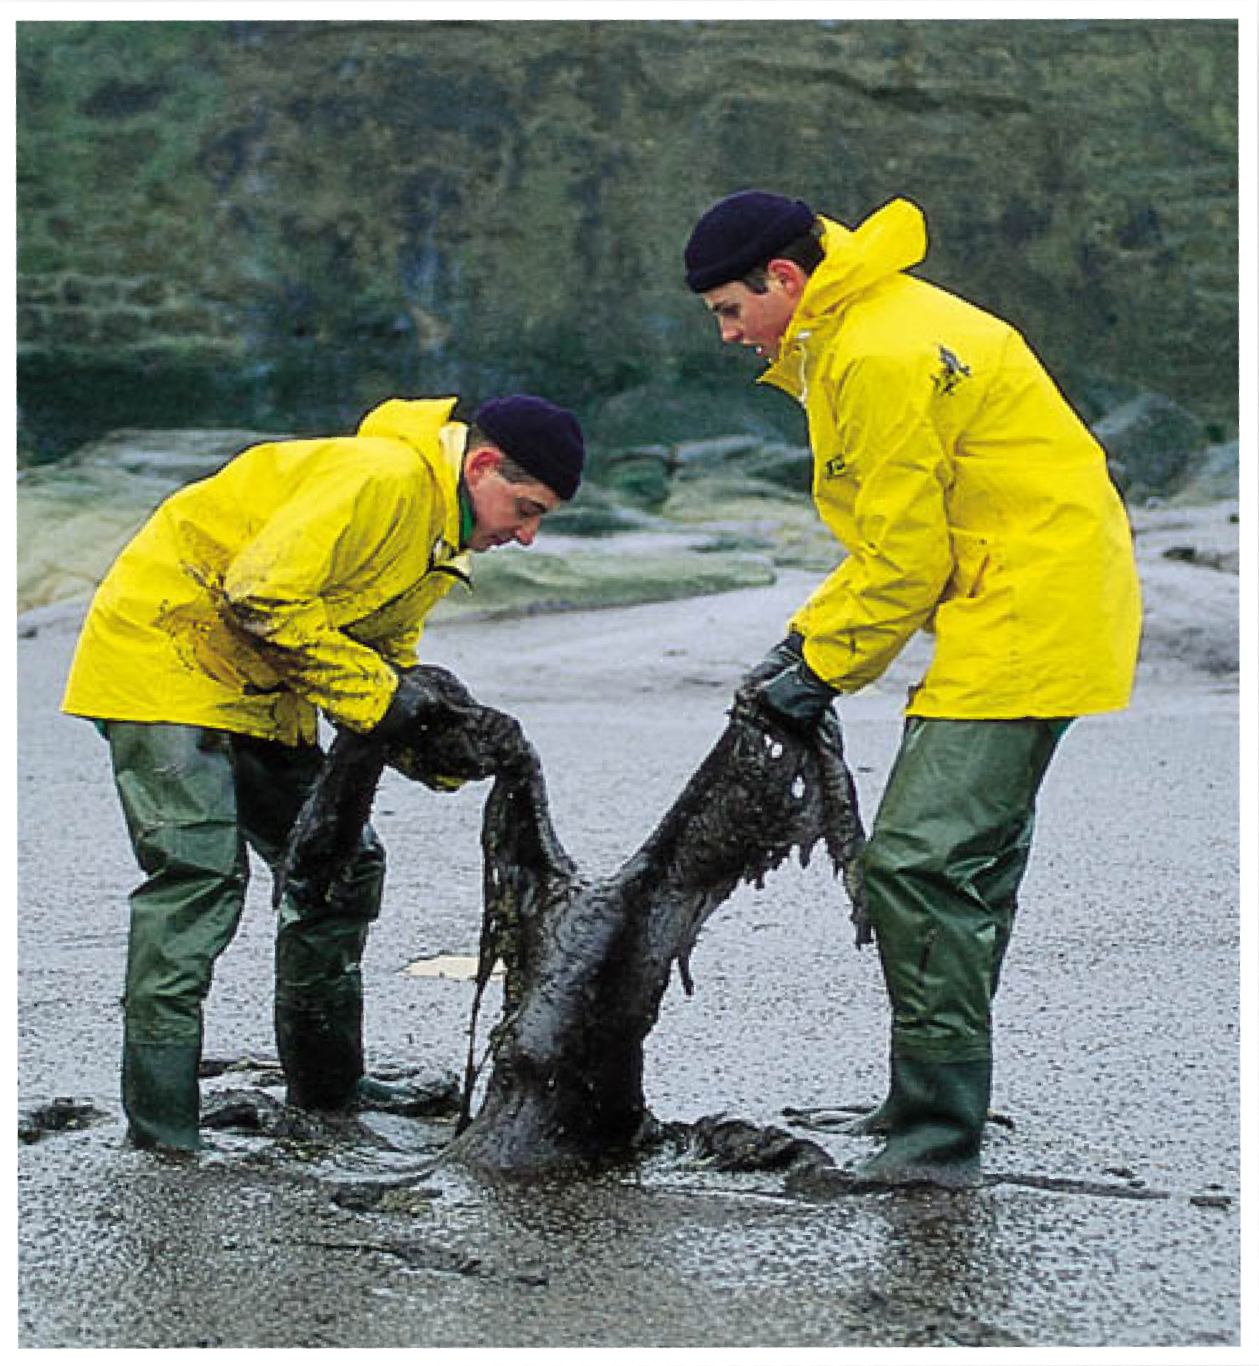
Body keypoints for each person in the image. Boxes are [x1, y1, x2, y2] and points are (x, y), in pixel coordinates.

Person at [683, 190, 1141, 1186]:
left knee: (917, 867)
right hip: (1023, 596)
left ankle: (936, 1137)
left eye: (728, 309)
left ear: (786, 281)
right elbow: (894, 540)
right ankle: (923, 1097)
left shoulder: (877, 353)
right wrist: (803, 640)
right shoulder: (871, 324)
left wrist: (817, 669)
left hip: (1023, 608)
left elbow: (902, 556)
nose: (726, 334)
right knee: (961, 870)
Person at [62, 393, 585, 1151]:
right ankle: (164, 1130)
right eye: (526, 507)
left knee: (341, 868)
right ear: (479, 466)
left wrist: (433, 748)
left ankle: (329, 1090)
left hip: (255, 687)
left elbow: (379, 665)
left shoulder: (438, 541)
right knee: (198, 881)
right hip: (165, 661)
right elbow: (260, 594)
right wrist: (386, 702)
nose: (529, 535)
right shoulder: (381, 478)